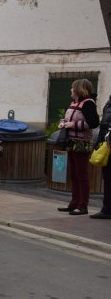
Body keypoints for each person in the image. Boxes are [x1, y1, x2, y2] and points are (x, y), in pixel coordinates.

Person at [57, 79, 99, 215]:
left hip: (81, 143)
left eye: (72, 88)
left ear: (79, 89)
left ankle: (83, 206)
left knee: (82, 175)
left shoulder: (88, 104)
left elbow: (93, 123)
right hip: (71, 142)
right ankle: (74, 203)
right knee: (74, 175)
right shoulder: (74, 103)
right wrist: (63, 122)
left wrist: (71, 125)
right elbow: (70, 119)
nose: (70, 90)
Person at [91, 94, 111, 219]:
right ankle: (107, 209)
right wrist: (98, 143)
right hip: (106, 145)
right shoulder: (109, 102)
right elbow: (103, 126)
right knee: (108, 178)